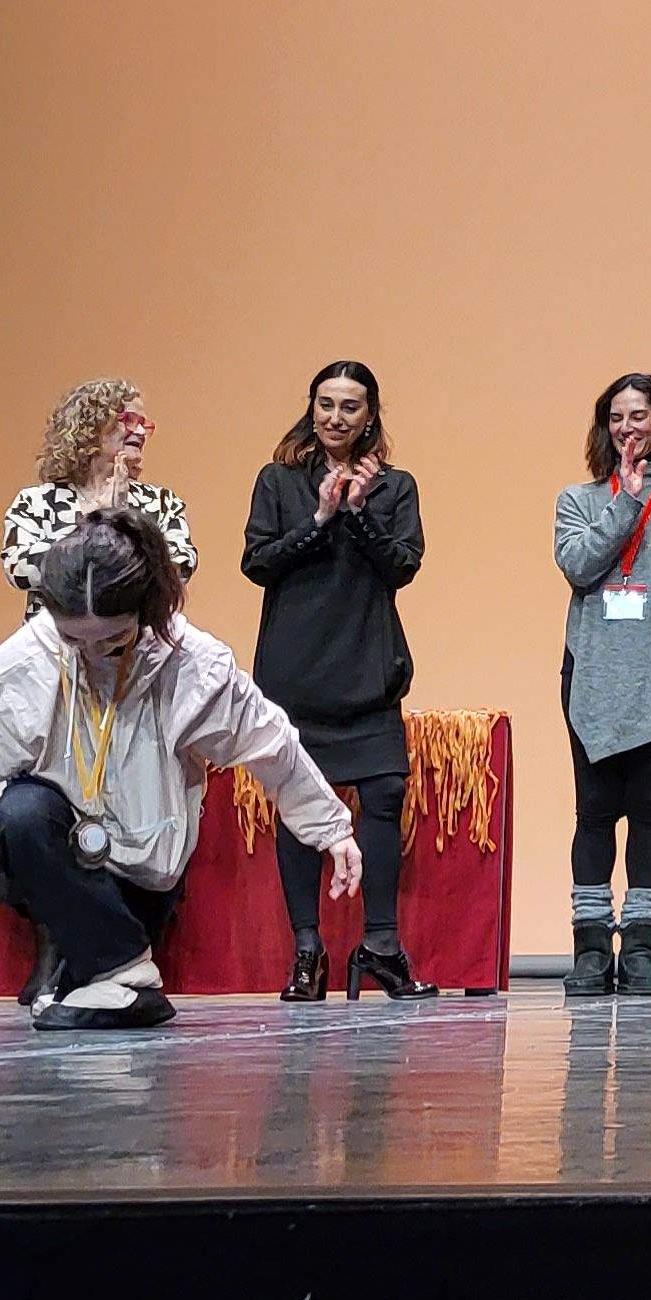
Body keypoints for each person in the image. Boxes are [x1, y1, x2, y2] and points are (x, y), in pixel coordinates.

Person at [0, 509, 361, 1031]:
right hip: (59, 865)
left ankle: (114, 970)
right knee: (19, 811)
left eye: (111, 641)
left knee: (76, 1002)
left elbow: (273, 747)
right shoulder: (26, 664)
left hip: (144, 873)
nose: (88, 652)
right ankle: (122, 972)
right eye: (71, 638)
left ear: (149, 611)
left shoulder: (195, 668)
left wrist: (332, 830)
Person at [238, 360, 430, 1001]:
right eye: (325, 404)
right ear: (311, 407)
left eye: (350, 407)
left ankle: (380, 946)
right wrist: (319, 519)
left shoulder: (395, 486)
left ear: (370, 415)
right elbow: (258, 563)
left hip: (368, 668)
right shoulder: (279, 480)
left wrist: (359, 514)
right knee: (300, 809)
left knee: (383, 795)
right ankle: (307, 951)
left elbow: (403, 567)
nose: (335, 418)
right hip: (296, 673)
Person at [551, 372, 651, 998]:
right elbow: (579, 564)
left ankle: (642, 947)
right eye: (617, 417)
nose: (627, 428)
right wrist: (626, 497)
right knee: (593, 815)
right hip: (593, 677)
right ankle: (591, 949)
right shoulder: (579, 499)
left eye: (640, 416)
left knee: (650, 814)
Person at [1, 378, 193, 607]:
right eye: (130, 420)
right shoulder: (36, 502)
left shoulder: (162, 503)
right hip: (54, 642)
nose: (141, 432)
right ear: (90, 427)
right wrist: (92, 521)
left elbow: (178, 569)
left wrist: (119, 523)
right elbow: (19, 570)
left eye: (145, 424)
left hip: (141, 640)